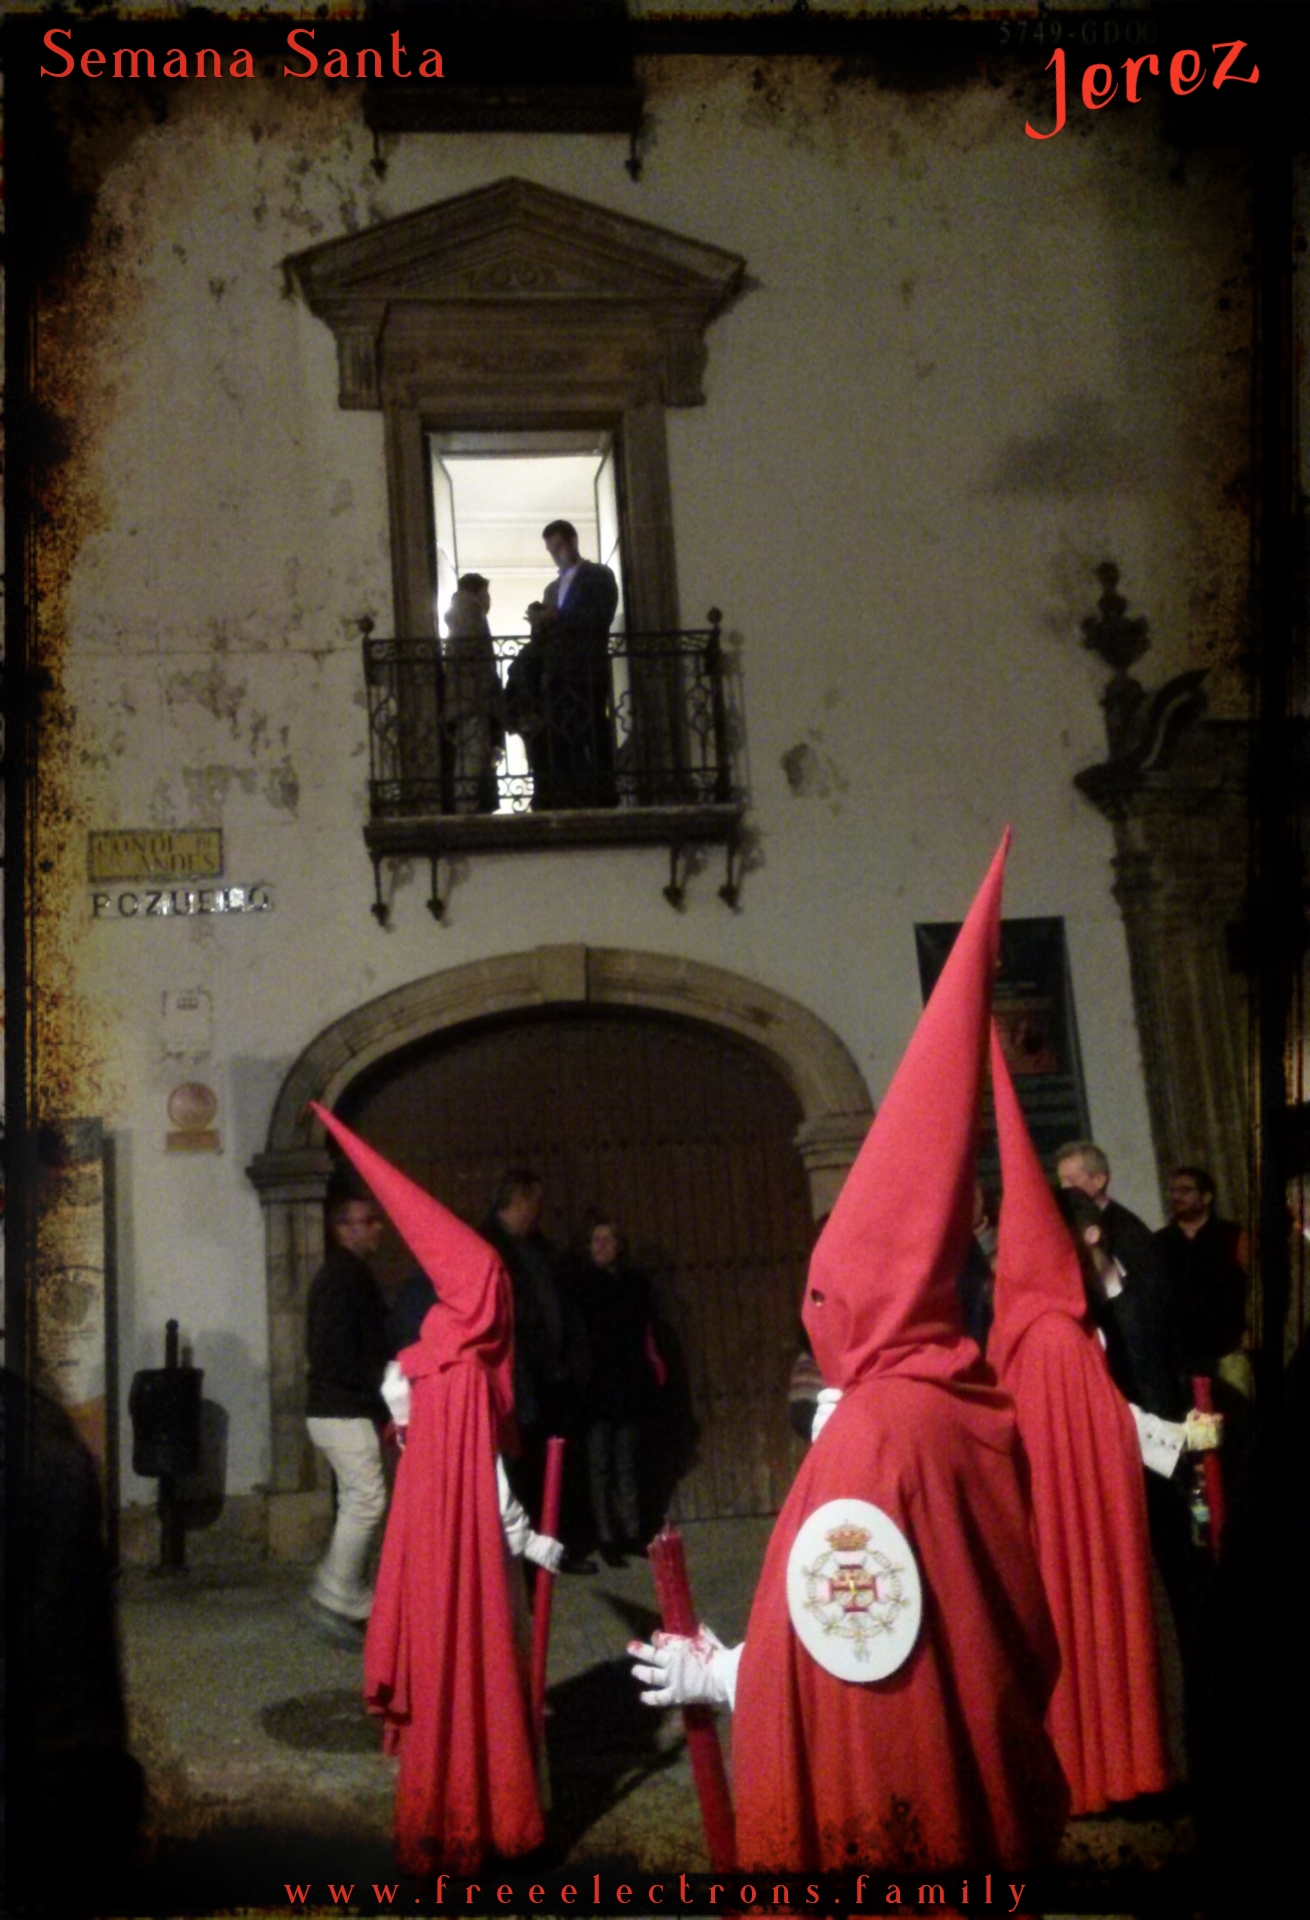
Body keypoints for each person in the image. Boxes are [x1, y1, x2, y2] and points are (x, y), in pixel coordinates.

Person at [631, 836, 1069, 1871]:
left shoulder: (874, 1431)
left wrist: (724, 1676)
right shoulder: (957, 1392)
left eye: (825, 1287)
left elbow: (854, 1650)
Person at [310, 1106, 561, 1878]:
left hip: (433, 1555)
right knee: (482, 1675)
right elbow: (482, 1480)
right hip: (476, 1557)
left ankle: (444, 1801)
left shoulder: (424, 1361)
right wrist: (530, 1539)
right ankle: (489, 1810)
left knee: (449, 1671)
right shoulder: (462, 1375)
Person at [989, 1028, 1169, 1815]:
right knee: (1102, 1636)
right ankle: (1116, 1766)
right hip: (1090, 1531)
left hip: (1058, 1534)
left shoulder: (1024, 1339)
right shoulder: (1059, 1341)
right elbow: (1104, 1433)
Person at [481, 1169, 594, 1571]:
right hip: (521, 1377)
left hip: (552, 1376)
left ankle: (557, 1547)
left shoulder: (538, 1247)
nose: (540, 1212)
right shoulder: (490, 1247)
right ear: (517, 1200)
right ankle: (526, 1555)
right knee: (522, 1470)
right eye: (535, 1202)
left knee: (555, 1467)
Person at [304, 1189, 390, 1635]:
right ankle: (335, 1595)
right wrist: (379, 1389)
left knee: (361, 1499)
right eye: (366, 1219)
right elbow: (336, 1351)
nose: (377, 1226)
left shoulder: (347, 1274)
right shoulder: (344, 1277)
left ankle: (344, 1592)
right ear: (343, 1229)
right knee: (367, 1499)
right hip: (342, 1408)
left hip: (341, 1406)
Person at [566, 1214, 665, 1566]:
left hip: (628, 1385)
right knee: (600, 1466)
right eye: (596, 1240)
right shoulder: (581, 1286)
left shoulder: (635, 1283)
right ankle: (607, 1536)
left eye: (608, 1239)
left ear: (620, 1246)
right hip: (595, 1389)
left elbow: (646, 1333)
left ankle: (631, 1531)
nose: (602, 1246)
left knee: (625, 1463)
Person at [524, 519, 619, 810]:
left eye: (559, 546)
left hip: (586, 668)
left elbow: (601, 615)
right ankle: (563, 792)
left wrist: (559, 619)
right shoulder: (552, 588)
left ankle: (600, 792)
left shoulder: (598, 575)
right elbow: (546, 634)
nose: (555, 553)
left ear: (573, 541)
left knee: (592, 727)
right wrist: (539, 623)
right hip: (558, 672)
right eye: (550, 549)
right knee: (560, 734)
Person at [1152, 1166, 1247, 1379]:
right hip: (1183, 1353)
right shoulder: (1159, 1243)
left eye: (1185, 1190)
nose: (1177, 1196)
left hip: (1229, 1346)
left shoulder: (1232, 1235)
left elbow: (1259, 1286)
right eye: (1172, 1191)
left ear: (1206, 1197)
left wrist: (1250, 1330)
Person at [442, 571, 504, 814]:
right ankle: (467, 807)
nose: (489, 599)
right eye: (487, 593)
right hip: (472, 699)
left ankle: (469, 805)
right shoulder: (470, 611)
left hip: (466, 699)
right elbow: (472, 659)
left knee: (472, 755)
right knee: (472, 755)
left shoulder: (462, 612)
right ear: (478, 592)